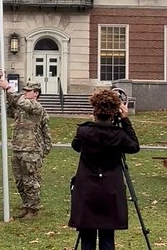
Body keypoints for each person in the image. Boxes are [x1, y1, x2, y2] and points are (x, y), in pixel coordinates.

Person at [68, 88, 140, 250]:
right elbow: (134, 146)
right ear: (114, 112)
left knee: (87, 237)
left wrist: (92, 123)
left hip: (87, 189)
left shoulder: (84, 131)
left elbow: (76, 146)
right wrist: (125, 119)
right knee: (107, 237)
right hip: (110, 189)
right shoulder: (119, 135)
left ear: (95, 110)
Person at [0, 78, 52, 220]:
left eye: (28, 91)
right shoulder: (21, 108)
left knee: (31, 180)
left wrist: (8, 88)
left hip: (31, 149)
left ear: (36, 94)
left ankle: (33, 209)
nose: (25, 93)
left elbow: (21, 102)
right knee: (20, 180)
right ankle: (26, 205)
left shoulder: (36, 107)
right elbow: (8, 108)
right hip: (18, 147)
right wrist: (5, 94)